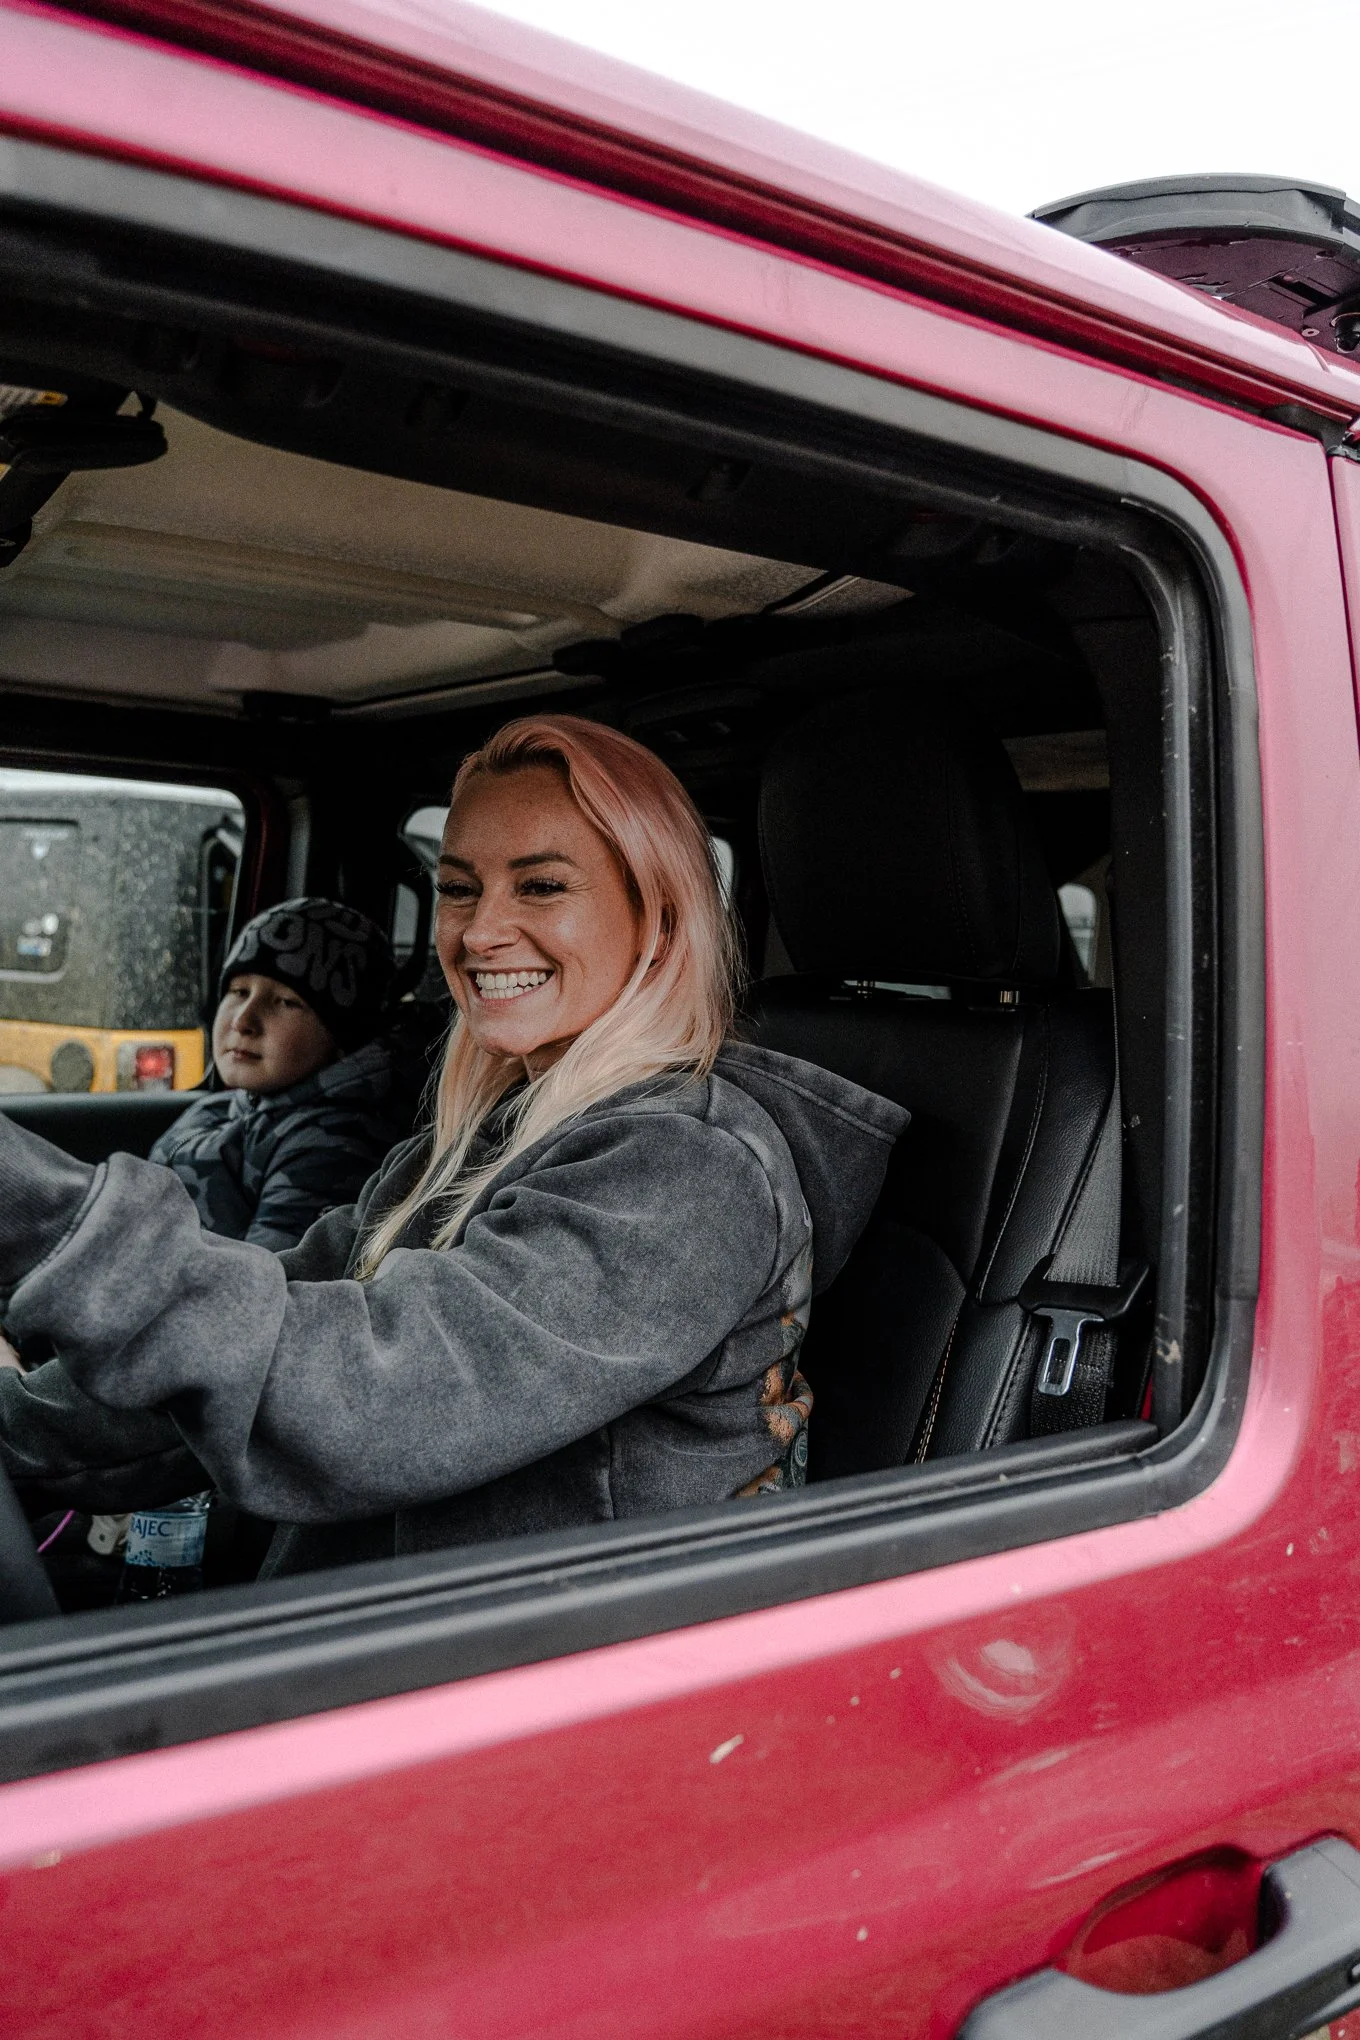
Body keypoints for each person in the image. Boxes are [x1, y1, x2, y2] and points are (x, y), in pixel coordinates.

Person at [0, 715, 907, 1576]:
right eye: (460, 886)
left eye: (542, 886)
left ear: (660, 920)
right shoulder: (490, 1135)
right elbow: (283, 1313)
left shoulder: (690, 1171)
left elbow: (371, 1400)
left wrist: (46, 1221)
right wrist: (19, 1429)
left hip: (560, 1687)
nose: (478, 933)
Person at [149, 897, 406, 1252]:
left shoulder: (331, 1146)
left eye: (285, 1001)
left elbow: (267, 1285)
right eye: (239, 992)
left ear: (342, 1035)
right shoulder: (229, 1106)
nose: (243, 1021)